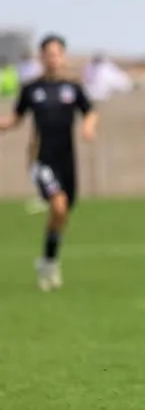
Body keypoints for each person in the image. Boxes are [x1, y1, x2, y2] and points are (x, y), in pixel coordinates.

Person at [0, 34, 98, 290]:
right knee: (58, 206)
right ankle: (48, 261)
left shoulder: (73, 87)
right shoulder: (32, 89)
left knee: (62, 213)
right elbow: (16, 117)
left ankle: (48, 260)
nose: (53, 58)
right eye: (48, 54)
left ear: (62, 56)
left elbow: (90, 111)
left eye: (57, 54)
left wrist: (88, 127)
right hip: (41, 159)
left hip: (67, 159)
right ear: (41, 57)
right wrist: (4, 124)